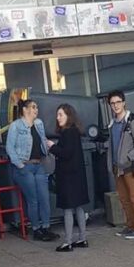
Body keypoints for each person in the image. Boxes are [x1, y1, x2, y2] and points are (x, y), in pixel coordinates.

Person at [6, 100, 58, 242]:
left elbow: (43, 140)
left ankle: (46, 227)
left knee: (44, 197)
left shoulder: (38, 123)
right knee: (33, 199)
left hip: (38, 163)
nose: (36, 110)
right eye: (33, 107)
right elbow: (10, 147)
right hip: (24, 165)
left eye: (37, 107)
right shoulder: (16, 126)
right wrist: (19, 165)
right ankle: (36, 229)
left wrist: (48, 149)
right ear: (24, 109)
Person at [46, 104, 89, 253]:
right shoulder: (74, 132)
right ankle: (82, 238)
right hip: (77, 175)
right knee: (78, 207)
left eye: (60, 115)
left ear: (68, 116)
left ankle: (68, 241)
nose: (57, 118)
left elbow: (66, 153)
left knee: (68, 209)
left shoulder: (68, 133)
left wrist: (52, 146)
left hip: (68, 177)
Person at [105, 90, 134, 240]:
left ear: (123, 103)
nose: (115, 105)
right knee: (124, 198)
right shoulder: (113, 125)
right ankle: (130, 226)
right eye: (112, 103)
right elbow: (112, 146)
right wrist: (111, 164)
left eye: (118, 102)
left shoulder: (132, 122)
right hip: (118, 168)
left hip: (131, 167)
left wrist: (128, 157)